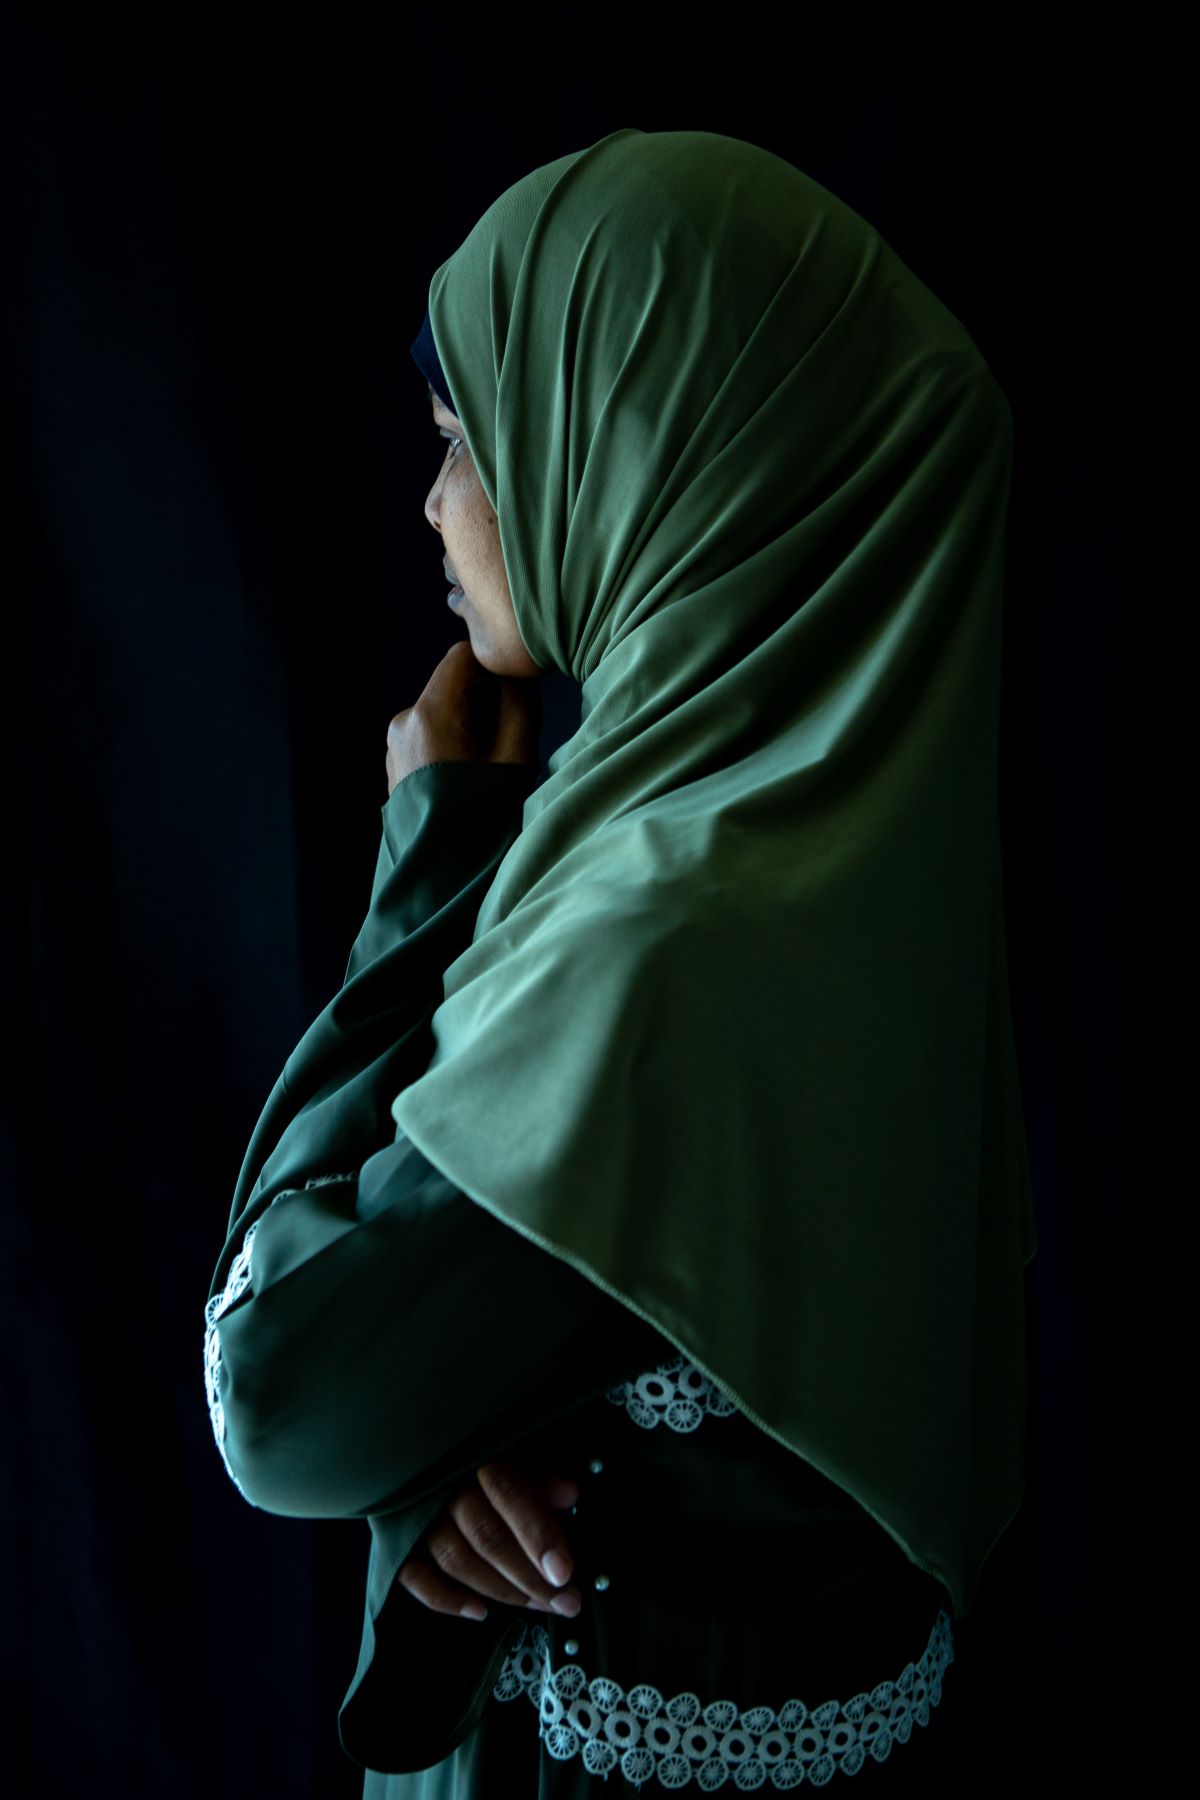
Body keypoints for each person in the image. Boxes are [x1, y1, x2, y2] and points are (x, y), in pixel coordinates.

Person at [203, 128, 1038, 1794]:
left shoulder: (666, 944)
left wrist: (434, 858)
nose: (435, 502)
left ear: (634, 450)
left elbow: (279, 1394)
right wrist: (431, 1457)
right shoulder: (844, 887)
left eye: (466, 439)